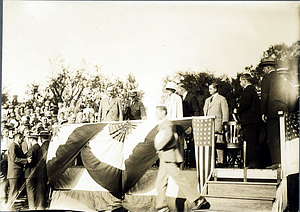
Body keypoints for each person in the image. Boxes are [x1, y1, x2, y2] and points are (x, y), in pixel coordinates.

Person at [154, 106, 210, 212]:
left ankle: (199, 200)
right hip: (164, 158)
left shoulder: (167, 123)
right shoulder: (163, 123)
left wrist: (159, 146)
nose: (156, 114)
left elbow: (169, 136)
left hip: (169, 158)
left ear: (163, 112)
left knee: (180, 180)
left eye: (157, 112)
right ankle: (161, 207)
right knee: (160, 183)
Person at [260, 57, 295, 169]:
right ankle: (286, 161)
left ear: (268, 67)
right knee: (284, 135)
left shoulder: (266, 78)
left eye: (264, 68)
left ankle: (277, 162)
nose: (263, 70)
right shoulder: (282, 79)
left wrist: (263, 112)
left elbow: (264, 96)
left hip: (272, 111)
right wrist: (288, 109)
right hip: (284, 110)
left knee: (273, 136)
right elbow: (291, 96)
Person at [238, 74, 261, 168]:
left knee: (250, 142)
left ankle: (252, 163)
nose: (240, 83)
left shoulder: (247, 91)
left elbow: (244, 104)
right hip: (254, 120)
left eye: (240, 81)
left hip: (249, 121)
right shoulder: (253, 90)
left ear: (245, 81)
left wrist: (238, 111)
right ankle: (255, 162)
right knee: (254, 141)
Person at [203, 83, 229, 166]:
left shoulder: (221, 99)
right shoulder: (208, 100)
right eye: (209, 89)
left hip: (218, 124)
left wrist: (224, 123)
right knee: (209, 144)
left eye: (211, 89)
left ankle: (220, 161)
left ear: (215, 89)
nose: (209, 90)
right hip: (209, 125)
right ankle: (211, 161)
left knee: (219, 143)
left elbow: (225, 112)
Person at [7, 132, 27, 210]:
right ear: (18, 138)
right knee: (13, 191)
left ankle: (12, 207)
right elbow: (14, 159)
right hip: (14, 173)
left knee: (15, 191)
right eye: (22, 139)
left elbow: (21, 156)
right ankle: (9, 208)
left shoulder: (18, 146)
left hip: (17, 172)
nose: (23, 141)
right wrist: (26, 160)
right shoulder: (13, 146)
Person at [25, 133, 40, 210]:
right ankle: (35, 205)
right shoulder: (39, 147)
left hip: (30, 172)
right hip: (37, 172)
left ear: (32, 139)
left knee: (30, 189)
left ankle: (32, 206)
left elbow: (29, 161)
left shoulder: (32, 148)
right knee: (34, 189)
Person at [36, 131, 50, 210]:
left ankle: (40, 206)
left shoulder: (44, 146)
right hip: (45, 170)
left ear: (41, 138)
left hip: (42, 170)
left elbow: (45, 158)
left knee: (40, 188)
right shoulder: (48, 145)